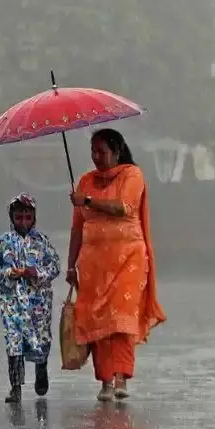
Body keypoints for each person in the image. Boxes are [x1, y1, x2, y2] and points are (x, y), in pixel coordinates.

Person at [66, 129, 166, 402]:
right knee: (97, 319)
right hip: (93, 266)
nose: (96, 157)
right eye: (93, 151)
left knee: (121, 318)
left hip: (128, 260)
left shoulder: (132, 175)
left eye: (102, 151)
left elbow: (124, 207)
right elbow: (77, 228)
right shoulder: (85, 181)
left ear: (117, 151)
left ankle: (121, 377)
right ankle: (105, 381)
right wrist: (71, 266)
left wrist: (87, 200)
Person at [0, 193, 61, 404]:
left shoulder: (41, 241)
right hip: (13, 303)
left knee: (41, 339)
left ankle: (41, 369)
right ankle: (15, 387)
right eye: (19, 217)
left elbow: (55, 266)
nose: (23, 222)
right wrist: (8, 274)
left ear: (34, 217)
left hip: (39, 304)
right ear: (11, 217)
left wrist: (34, 273)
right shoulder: (4, 242)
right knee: (14, 342)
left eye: (28, 217)